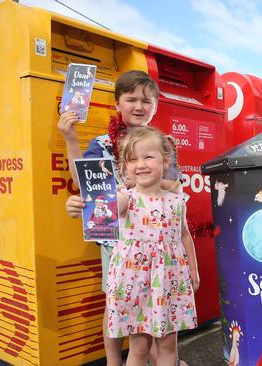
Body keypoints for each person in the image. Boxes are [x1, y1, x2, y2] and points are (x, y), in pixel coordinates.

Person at [58, 70, 181, 365]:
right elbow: (85, 183)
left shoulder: (160, 142)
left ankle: (159, 357)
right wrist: (70, 138)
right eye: (131, 99)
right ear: (117, 104)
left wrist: (135, 188)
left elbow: (173, 184)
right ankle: (115, 361)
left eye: (146, 100)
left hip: (153, 238)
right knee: (115, 304)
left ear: (155, 106)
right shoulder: (102, 144)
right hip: (117, 241)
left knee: (154, 302)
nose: (139, 106)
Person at [68, 126, 199, 366]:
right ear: (124, 167)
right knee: (139, 347)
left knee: (169, 345)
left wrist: (194, 269)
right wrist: (79, 207)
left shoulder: (176, 200)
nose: (140, 164)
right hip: (136, 283)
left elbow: (184, 235)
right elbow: (101, 211)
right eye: (132, 159)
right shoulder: (126, 197)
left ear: (165, 159)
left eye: (148, 156)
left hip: (170, 282)